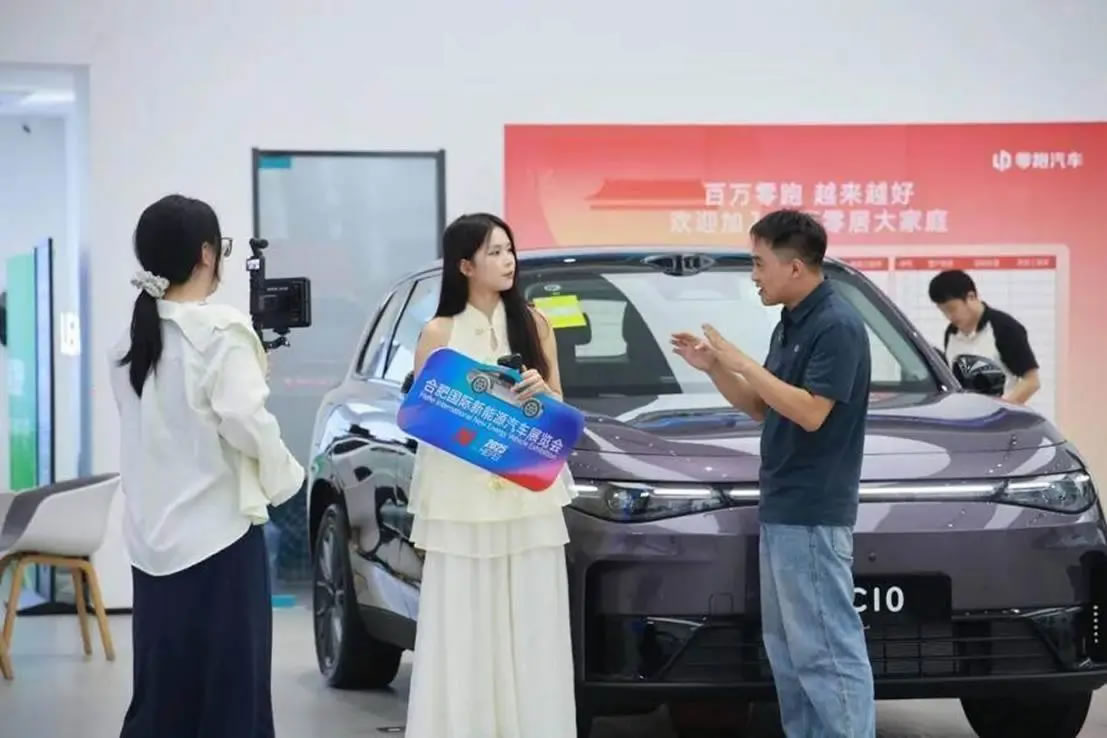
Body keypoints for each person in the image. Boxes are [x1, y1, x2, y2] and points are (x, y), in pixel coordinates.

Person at [671, 209, 875, 738]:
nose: (754, 275)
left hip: (812, 510)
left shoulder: (836, 325)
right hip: (783, 505)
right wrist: (716, 366)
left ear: (796, 267)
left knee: (826, 649)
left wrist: (743, 362)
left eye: (760, 263)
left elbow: (811, 412)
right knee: (788, 652)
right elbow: (765, 407)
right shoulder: (793, 321)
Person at [110, 194, 304, 738]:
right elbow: (247, 420)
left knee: (162, 693)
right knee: (231, 695)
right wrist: (286, 477)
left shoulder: (129, 341)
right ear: (206, 254)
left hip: (150, 541)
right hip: (219, 540)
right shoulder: (219, 331)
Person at [403, 213, 577, 738]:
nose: (508, 261)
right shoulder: (439, 332)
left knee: (533, 620)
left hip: (527, 494)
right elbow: (425, 416)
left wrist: (540, 393)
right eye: (495, 252)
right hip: (462, 496)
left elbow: (560, 405)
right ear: (465, 265)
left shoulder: (535, 323)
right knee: (463, 621)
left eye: (509, 250)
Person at [928, 269, 1041, 404]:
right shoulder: (951, 333)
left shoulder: (1005, 328)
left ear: (971, 297)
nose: (949, 316)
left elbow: (1032, 381)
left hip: (1000, 414)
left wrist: (1001, 409)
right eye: (943, 311)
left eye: (952, 309)